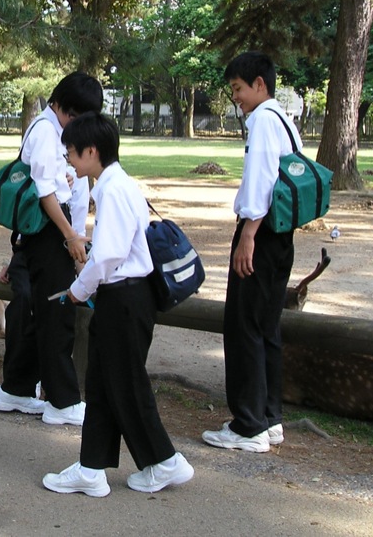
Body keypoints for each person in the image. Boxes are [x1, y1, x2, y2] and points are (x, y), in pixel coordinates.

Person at [43, 112, 193, 497]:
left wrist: (78, 289)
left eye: (73, 153)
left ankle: (165, 461)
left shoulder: (111, 190)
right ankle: (91, 467)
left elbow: (108, 255)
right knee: (104, 382)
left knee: (125, 383)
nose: (70, 161)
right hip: (128, 295)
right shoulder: (118, 185)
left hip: (124, 296)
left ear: (92, 151)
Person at [0, 72, 103, 427]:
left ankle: (16, 389)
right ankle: (62, 401)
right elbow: (44, 193)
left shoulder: (55, 131)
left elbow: (64, 183)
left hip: (52, 229)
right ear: (66, 107)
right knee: (57, 314)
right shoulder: (43, 131)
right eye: (81, 115)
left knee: (46, 311)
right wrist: (70, 234)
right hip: (48, 229)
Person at [202, 51, 299, 453]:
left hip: (260, 232)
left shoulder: (262, 121)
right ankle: (269, 417)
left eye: (238, 89)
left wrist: (247, 236)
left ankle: (248, 425)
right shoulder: (285, 120)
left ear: (260, 84)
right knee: (266, 326)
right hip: (282, 235)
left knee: (243, 327)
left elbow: (260, 181)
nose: (236, 98)